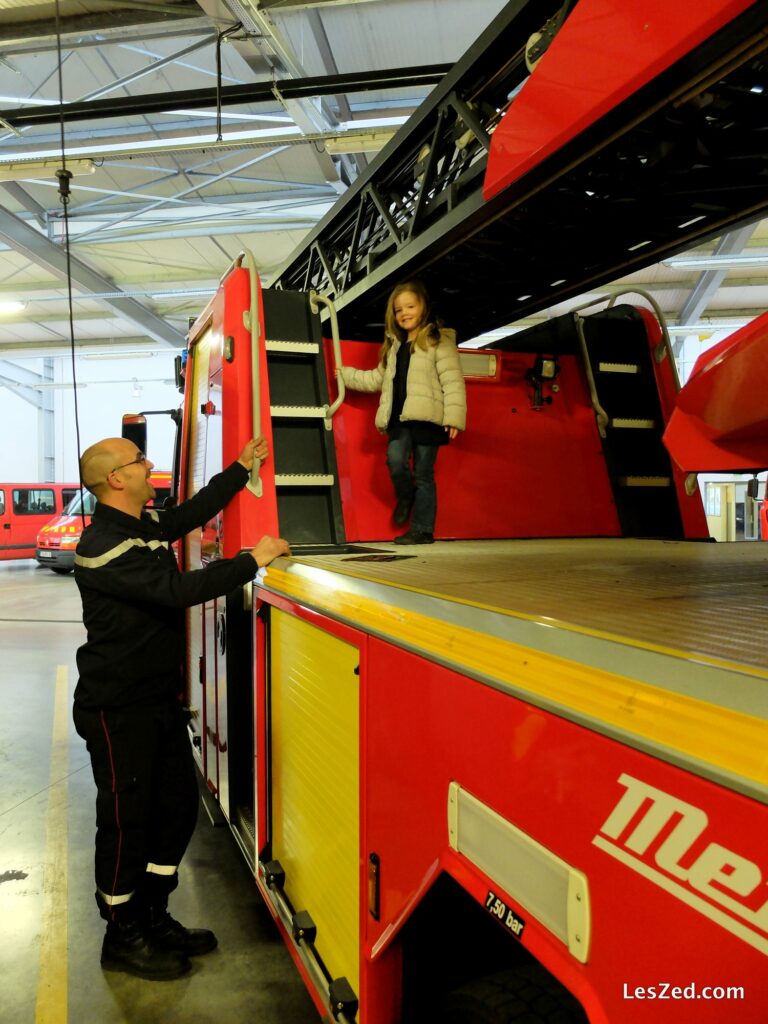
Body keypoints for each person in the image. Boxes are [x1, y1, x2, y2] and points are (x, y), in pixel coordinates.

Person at [73, 435, 289, 981]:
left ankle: (153, 914)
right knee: (127, 822)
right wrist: (250, 561)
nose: (150, 466)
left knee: (174, 811)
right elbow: (176, 590)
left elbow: (186, 516)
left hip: (156, 701)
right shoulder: (103, 545)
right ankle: (121, 936)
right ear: (116, 480)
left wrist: (240, 471)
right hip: (117, 709)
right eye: (139, 461)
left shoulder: (138, 528)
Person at [338, 279, 466, 543]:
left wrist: (454, 417)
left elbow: (452, 380)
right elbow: (376, 379)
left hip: (429, 420)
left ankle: (422, 530)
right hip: (399, 419)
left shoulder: (437, 341)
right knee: (395, 460)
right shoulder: (394, 347)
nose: (405, 313)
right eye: (399, 310)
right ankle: (406, 497)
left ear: (423, 308)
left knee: (423, 474)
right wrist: (345, 375)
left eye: (410, 306)